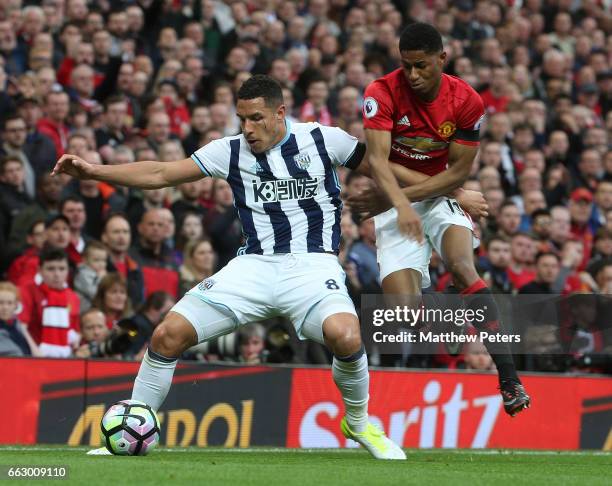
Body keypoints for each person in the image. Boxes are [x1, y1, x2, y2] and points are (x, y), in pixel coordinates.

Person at [52, 75, 406, 459]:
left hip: (312, 266)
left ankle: (358, 422)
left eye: (256, 118)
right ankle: (136, 425)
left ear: (280, 112)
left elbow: (387, 170)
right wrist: (94, 172)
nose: (247, 129)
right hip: (252, 266)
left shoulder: (325, 139)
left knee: (347, 337)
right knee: (168, 334)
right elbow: (161, 173)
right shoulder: (230, 150)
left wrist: (452, 191)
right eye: (242, 119)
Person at [349, 23, 530, 416]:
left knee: (464, 266)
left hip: (433, 197)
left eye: (421, 66)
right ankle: (439, 306)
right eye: (406, 66)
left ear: (442, 59)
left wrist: (398, 200)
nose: (413, 75)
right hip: (398, 199)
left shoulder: (466, 101)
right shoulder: (381, 92)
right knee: (403, 315)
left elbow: (457, 175)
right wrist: (399, 206)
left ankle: (509, 378)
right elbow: (378, 161)